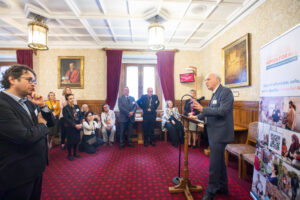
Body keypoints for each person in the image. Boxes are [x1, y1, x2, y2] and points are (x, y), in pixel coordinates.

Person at [0, 65, 54, 200]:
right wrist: (42, 124)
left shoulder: (29, 102)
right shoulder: (2, 104)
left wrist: (42, 105)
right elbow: (25, 137)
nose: (33, 84)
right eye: (29, 80)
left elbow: (51, 122)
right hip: (17, 172)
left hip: (35, 167)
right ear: (12, 79)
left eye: (34, 82)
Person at [191, 73, 234, 200]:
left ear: (217, 80)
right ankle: (223, 186)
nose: (206, 82)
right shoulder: (215, 94)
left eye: (208, 79)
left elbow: (222, 111)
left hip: (220, 133)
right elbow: (211, 111)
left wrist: (202, 110)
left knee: (214, 163)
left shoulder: (225, 92)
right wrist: (196, 117)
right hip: (213, 132)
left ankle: (211, 190)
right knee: (219, 161)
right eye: (205, 80)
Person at [63, 94, 82, 161]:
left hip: (78, 127)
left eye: (73, 98)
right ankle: (69, 154)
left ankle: (75, 153)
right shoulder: (65, 108)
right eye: (70, 98)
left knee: (76, 140)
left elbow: (80, 115)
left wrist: (80, 123)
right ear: (67, 100)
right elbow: (66, 119)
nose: (72, 100)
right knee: (70, 141)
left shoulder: (77, 106)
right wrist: (74, 125)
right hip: (70, 127)